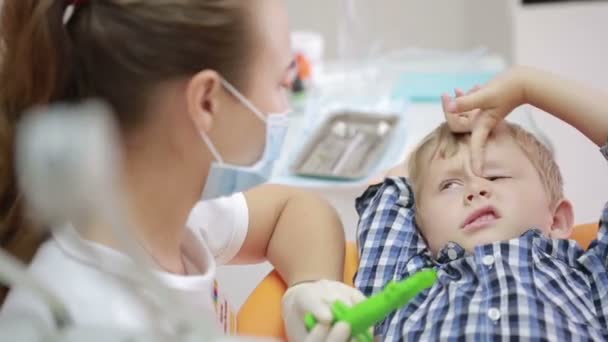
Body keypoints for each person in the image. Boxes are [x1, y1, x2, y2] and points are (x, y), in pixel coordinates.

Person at [0, 1, 363, 340]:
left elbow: (296, 210)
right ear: (207, 100)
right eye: (281, 83)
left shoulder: (166, 215)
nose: (283, 108)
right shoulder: (84, 319)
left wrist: (310, 286)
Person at [354, 66, 608, 340]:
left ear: (556, 220)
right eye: (450, 185)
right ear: (420, 232)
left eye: (495, 176)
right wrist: (433, 150)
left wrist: (525, 85)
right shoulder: (403, 283)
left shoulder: (588, 278)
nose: (474, 190)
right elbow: (389, 195)